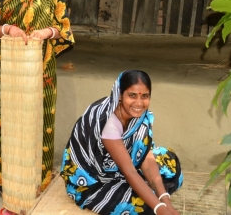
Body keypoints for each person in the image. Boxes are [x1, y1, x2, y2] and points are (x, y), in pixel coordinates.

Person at [0, 0, 74, 213]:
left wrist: (47, 32)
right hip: (8, 70)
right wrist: (7, 29)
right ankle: (6, 177)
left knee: (38, 121)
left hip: (41, 70)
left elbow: (64, 28)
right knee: (8, 124)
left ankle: (38, 177)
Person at [61, 70, 183, 215]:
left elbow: (146, 159)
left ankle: (147, 191)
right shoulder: (107, 122)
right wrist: (160, 209)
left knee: (170, 161)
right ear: (120, 95)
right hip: (93, 180)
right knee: (143, 206)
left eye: (145, 96)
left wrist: (165, 200)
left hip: (123, 166)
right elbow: (130, 171)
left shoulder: (139, 116)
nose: (139, 103)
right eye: (132, 95)